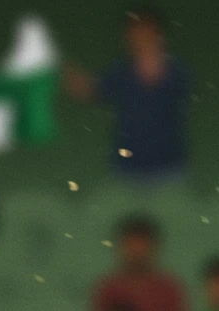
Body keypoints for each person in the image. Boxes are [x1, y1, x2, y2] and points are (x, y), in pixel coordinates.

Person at [66, 6, 191, 182]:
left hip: (170, 168)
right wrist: (61, 71)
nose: (140, 38)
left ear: (158, 34)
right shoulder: (120, 72)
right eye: (134, 33)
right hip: (126, 169)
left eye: (145, 32)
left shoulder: (176, 72)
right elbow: (91, 91)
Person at [90, 215, 186, 311]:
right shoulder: (109, 288)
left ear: (153, 246)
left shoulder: (168, 289)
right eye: (130, 244)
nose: (136, 251)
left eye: (141, 245)